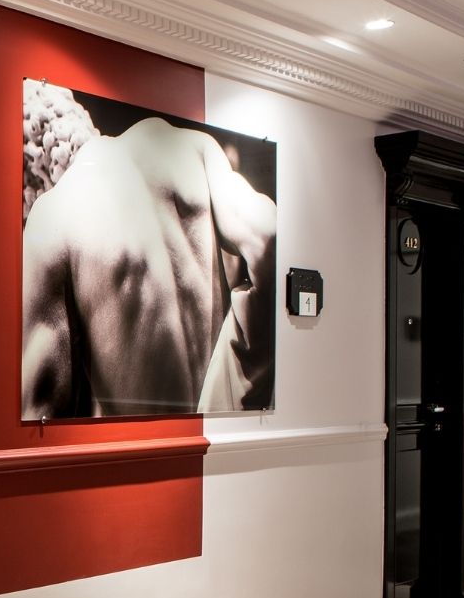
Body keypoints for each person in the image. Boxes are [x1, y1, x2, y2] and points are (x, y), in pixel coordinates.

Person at [21, 116, 276, 419]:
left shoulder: (53, 216)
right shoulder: (196, 150)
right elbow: (270, 235)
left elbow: (41, 421)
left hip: (145, 461)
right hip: (223, 444)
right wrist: (231, 382)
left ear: (32, 176)